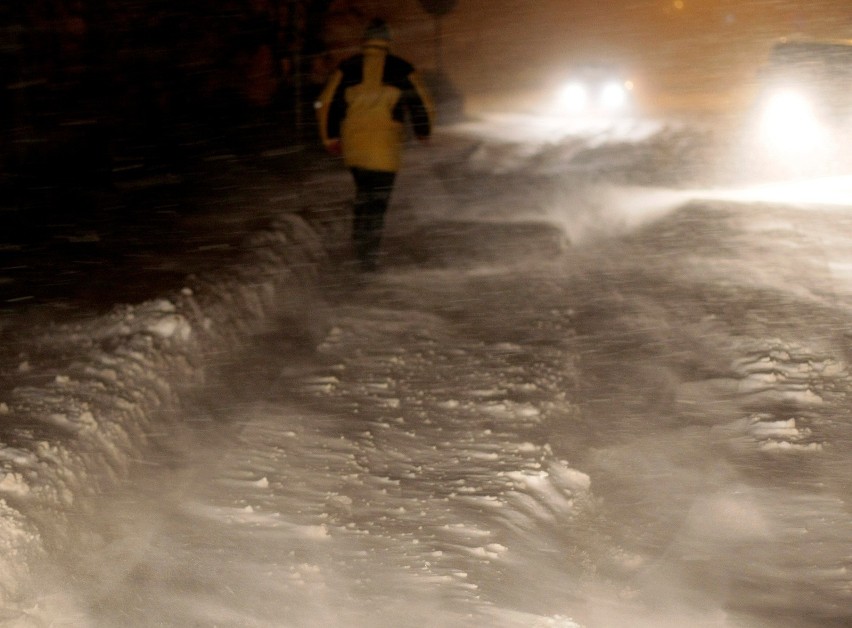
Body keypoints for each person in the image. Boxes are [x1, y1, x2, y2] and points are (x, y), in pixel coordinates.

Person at [315, 18, 434, 271]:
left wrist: (331, 137)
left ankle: (360, 249)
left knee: (364, 197)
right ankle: (367, 259)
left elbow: (325, 104)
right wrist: (423, 131)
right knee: (377, 204)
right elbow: (422, 103)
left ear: (365, 41)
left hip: (355, 149)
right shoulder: (402, 69)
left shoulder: (347, 68)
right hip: (385, 151)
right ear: (388, 41)